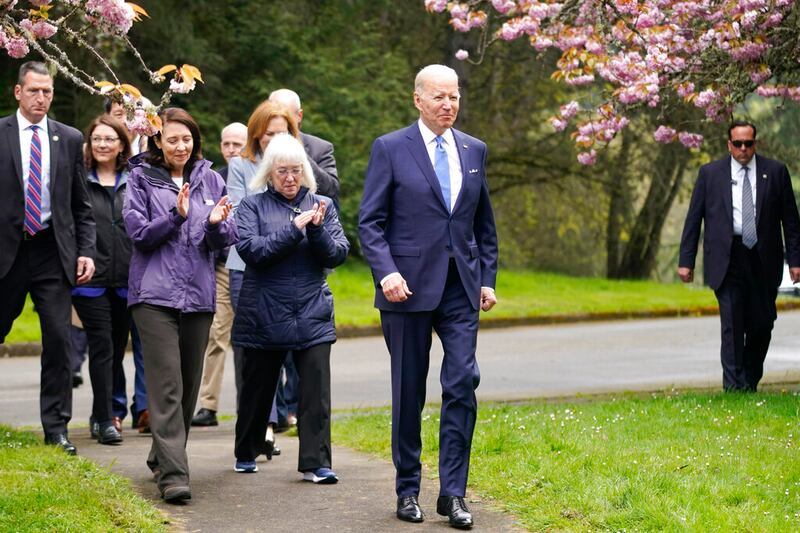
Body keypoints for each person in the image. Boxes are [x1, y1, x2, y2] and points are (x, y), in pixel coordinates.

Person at [358, 64, 499, 528]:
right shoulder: (390, 148)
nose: (448, 105)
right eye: (439, 97)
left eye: (454, 96)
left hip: (460, 287)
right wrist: (387, 274)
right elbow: (370, 223)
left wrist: (487, 278)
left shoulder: (474, 149)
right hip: (407, 290)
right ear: (418, 99)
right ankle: (408, 489)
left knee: (462, 382)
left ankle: (454, 494)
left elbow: (483, 224)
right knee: (409, 392)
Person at [123, 107, 237, 503]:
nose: (180, 146)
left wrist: (215, 224)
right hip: (153, 298)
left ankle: (161, 455)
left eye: (186, 138)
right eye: (172, 139)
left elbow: (226, 241)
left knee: (188, 388)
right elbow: (138, 234)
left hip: (198, 296)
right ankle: (174, 474)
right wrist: (176, 215)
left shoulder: (211, 178)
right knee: (167, 384)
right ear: (157, 140)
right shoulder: (139, 179)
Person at [231, 133, 349, 483]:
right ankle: (247, 449)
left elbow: (338, 252)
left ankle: (317, 463)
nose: (289, 178)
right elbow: (252, 250)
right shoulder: (252, 206)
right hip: (264, 310)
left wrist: (315, 231)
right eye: (282, 171)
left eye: (296, 170)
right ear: (269, 172)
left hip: (311, 310)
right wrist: (294, 229)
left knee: (316, 391)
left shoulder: (321, 204)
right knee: (258, 389)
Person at [0, 61, 96, 456]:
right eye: (35, 90)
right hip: (6, 250)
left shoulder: (69, 138)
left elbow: (80, 203)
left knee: (59, 340)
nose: (42, 98)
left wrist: (86, 250)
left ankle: (55, 428)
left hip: (52, 252)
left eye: (48, 91)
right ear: (18, 92)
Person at [678, 121, 800, 392]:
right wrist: (686, 260)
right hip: (726, 257)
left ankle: (748, 380)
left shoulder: (776, 172)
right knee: (732, 326)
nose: (743, 149)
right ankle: (733, 388)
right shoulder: (710, 174)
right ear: (729, 145)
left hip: (762, 258)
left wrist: (796, 260)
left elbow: (791, 222)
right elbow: (693, 218)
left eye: (748, 143)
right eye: (738, 144)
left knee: (762, 324)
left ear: (756, 143)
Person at [224, 101, 300, 455]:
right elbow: (242, 216)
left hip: (290, 269)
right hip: (248, 269)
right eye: (270, 134)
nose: (276, 139)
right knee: (255, 350)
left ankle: (277, 416)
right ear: (257, 135)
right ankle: (263, 426)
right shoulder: (241, 166)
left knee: (284, 354)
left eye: (283, 132)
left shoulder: (296, 164)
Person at [269, 88, 341, 428]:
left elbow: (330, 188)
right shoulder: (258, 146)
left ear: (298, 117)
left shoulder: (320, 148)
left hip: (310, 261)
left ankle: (297, 408)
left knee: (308, 345)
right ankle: (276, 415)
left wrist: (298, 153)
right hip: (271, 264)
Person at [71, 114, 134, 445]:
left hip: (125, 278)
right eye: (97, 139)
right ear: (89, 143)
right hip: (90, 280)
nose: (103, 145)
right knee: (101, 346)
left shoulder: (133, 180)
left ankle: (106, 414)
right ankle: (105, 417)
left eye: (110, 139)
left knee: (115, 347)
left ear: (122, 144)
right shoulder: (79, 178)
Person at [191, 121, 248, 428]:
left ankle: (256, 408)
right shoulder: (214, 180)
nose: (230, 150)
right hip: (222, 267)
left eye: (237, 144)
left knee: (252, 339)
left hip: (250, 266)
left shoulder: (256, 174)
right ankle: (208, 405)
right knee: (216, 335)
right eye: (226, 144)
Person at [104, 97, 149, 434]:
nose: (127, 121)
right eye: (119, 114)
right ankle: (114, 408)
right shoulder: (103, 158)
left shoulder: (154, 154)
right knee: (114, 343)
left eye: (133, 115)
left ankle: (146, 408)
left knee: (148, 341)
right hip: (114, 265)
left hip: (149, 264)